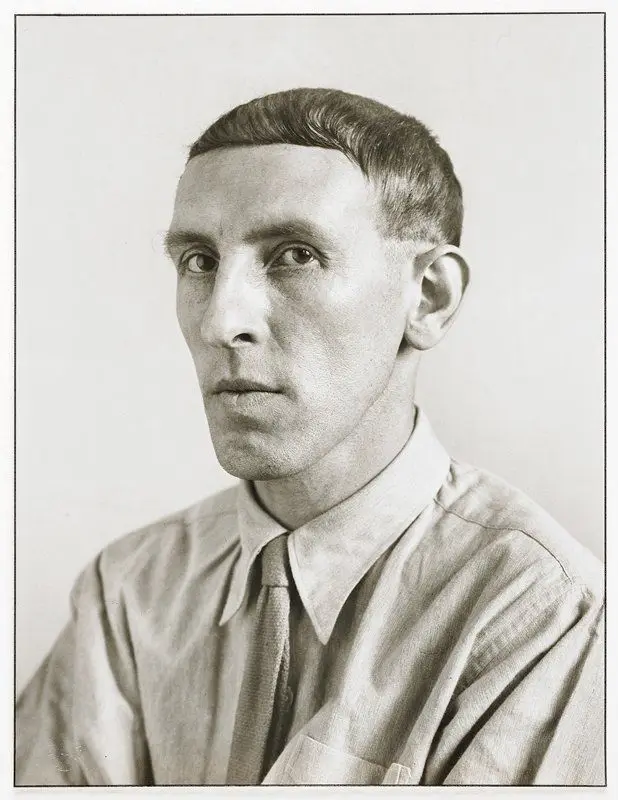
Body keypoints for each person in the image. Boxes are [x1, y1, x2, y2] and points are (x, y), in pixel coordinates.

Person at [16, 88, 604, 787]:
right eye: (199, 261)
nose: (218, 323)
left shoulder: (540, 612)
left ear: (429, 297)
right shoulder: (129, 592)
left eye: (294, 254)